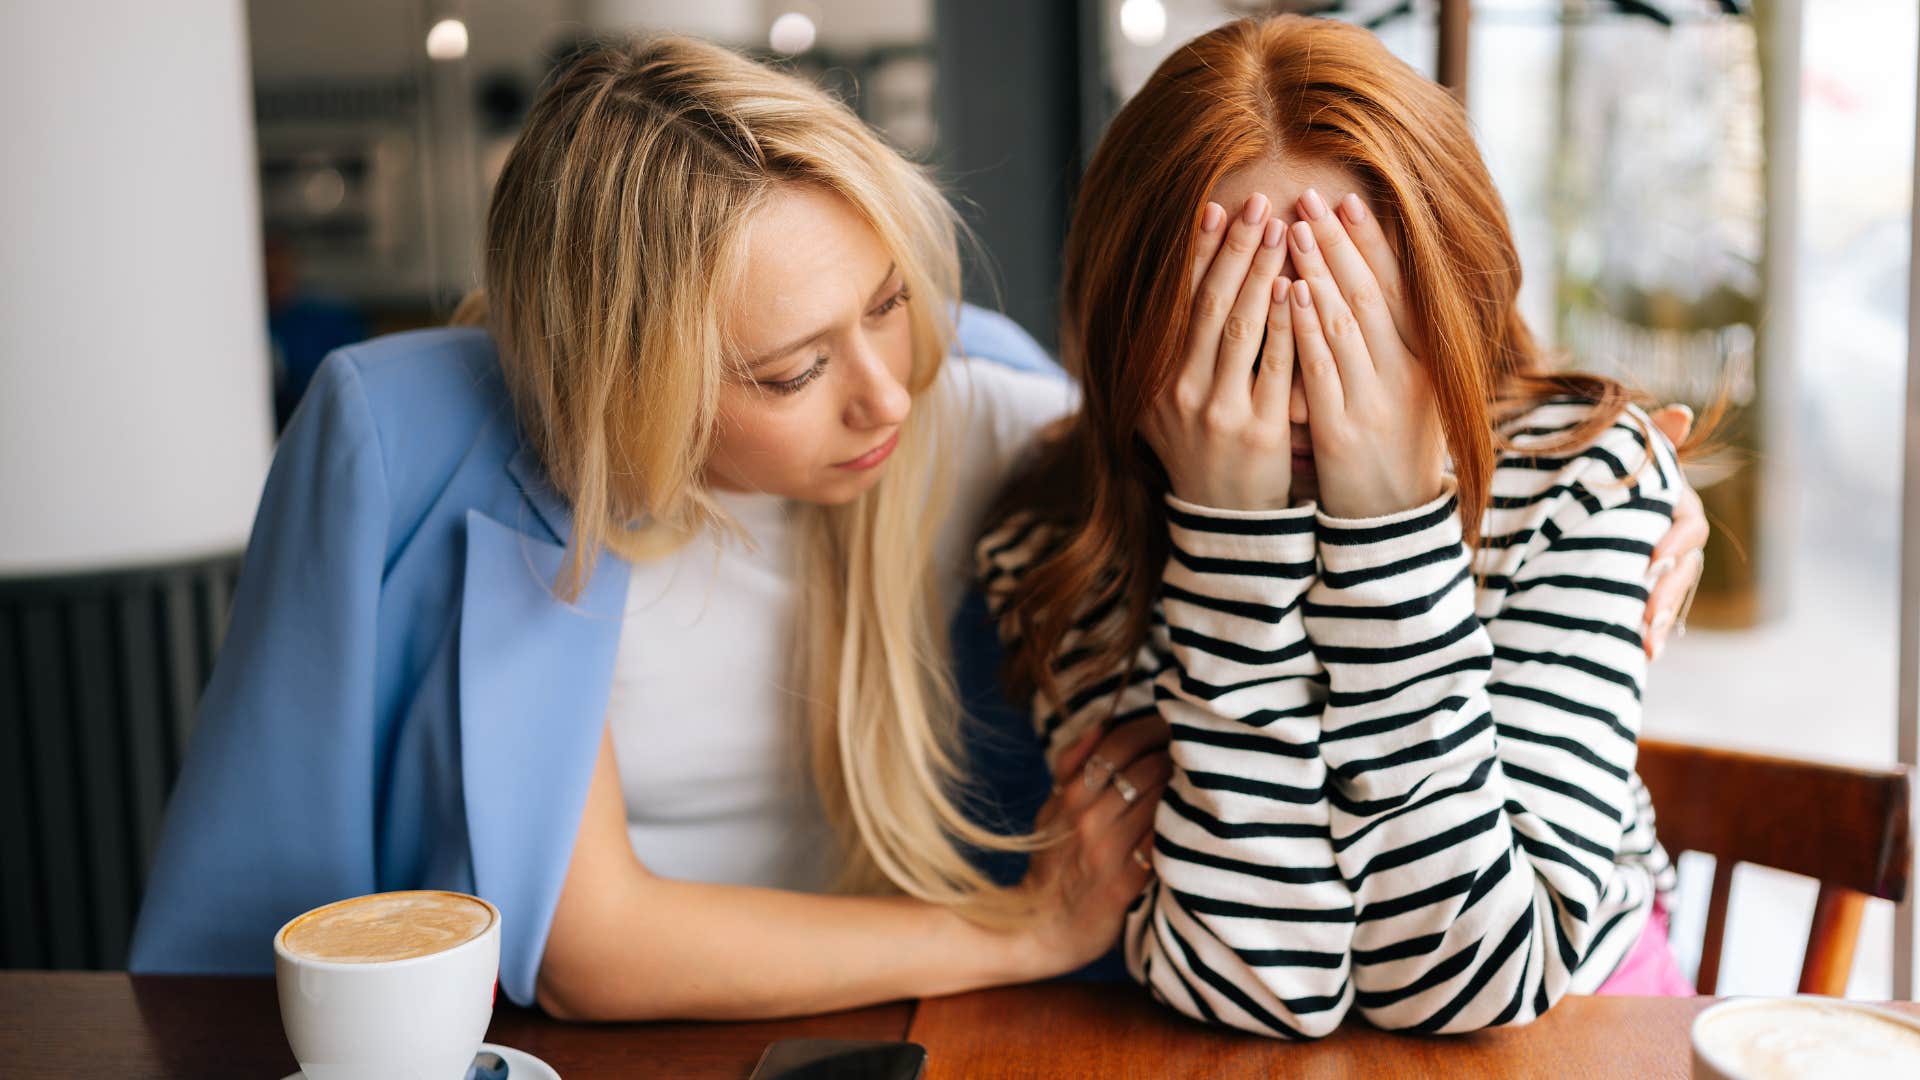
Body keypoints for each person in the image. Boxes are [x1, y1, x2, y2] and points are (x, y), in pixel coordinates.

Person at [130, 34, 1160, 1020]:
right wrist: (1022, 936)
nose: (886, 395)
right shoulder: (410, 437)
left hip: (924, 1026)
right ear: (632, 385)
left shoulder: (978, 400)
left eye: (888, 301)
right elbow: (589, 948)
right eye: (793, 371)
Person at [977, 14, 1706, 1039]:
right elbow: (1261, 986)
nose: (1310, 391)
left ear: (1457, 297)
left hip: (1585, 1038)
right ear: (1130, 331)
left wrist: (1391, 530)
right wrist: (1229, 542)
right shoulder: (1061, 542)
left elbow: (1475, 988)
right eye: (1237, 333)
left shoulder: (1581, 480)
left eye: (1354, 320)